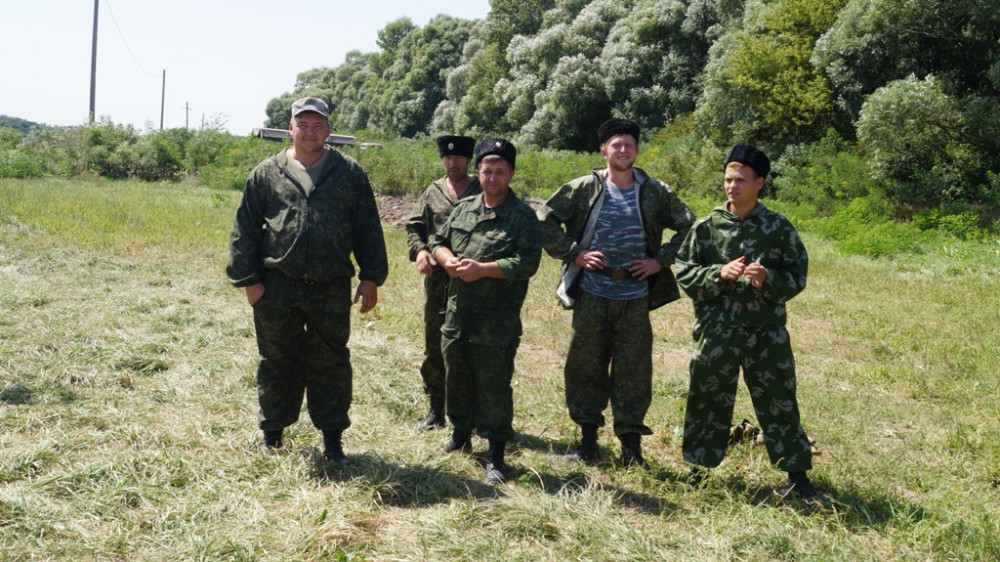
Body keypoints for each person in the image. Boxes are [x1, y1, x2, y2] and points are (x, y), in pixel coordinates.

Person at [226, 97, 388, 465]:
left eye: (318, 125)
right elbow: (245, 230)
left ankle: (333, 441)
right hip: (276, 287)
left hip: (330, 287)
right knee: (277, 361)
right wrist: (250, 281)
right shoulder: (266, 173)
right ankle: (273, 435)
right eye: (304, 124)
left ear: (329, 131)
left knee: (330, 363)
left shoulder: (349, 173)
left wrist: (371, 277)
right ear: (291, 128)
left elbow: (367, 228)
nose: (310, 131)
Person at [536, 118, 695, 466]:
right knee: (585, 366)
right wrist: (574, 253)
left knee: (634, 371)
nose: (623, 150)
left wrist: (660, 261)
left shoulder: (655, 190)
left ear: (637, 150)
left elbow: (690, 228)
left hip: (635, 296)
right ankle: (588, 440)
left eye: (629, 145)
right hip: (592, 292)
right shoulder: (583, 188)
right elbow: (544, 220)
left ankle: (631, 448)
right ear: (604, 150)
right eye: (616, 145)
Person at [675, 144, 817, 499]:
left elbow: (798, 275)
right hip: (716, 331)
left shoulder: (777, 228)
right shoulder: (707, 228)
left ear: (760, 183)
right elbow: (684, 271)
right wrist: (717, 273)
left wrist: (768, 279)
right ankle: (699, 469)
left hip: (765, 333)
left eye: (740, 180)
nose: (732, 186)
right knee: (706, 400)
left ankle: (798, 476)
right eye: (728, 179)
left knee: (779, 400)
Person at [430, 138, 542, 484]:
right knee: (457, 375)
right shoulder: (464, 208)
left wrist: (484, 268)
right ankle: (460, 434)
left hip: (496, 319)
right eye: (487, 170)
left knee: (494, 383)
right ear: (478, 172)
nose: (493, 177)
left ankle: (495, 453)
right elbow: (438, 240)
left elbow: (527, 262)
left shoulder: (522, 216)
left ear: (510, 174)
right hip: (457, 312)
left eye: (500, 171)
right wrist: (446, 260)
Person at [404, 135, 481, 430]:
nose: (452, 163)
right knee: (435, 343)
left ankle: (470, 411)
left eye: (458, 158)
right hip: (438, 281)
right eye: (447, 159)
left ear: (468, 161)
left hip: (474, 279)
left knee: (470, 344)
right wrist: (420, 250)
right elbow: (415, 226)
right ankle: (436, 408)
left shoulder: (482, 188)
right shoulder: (433, 191)